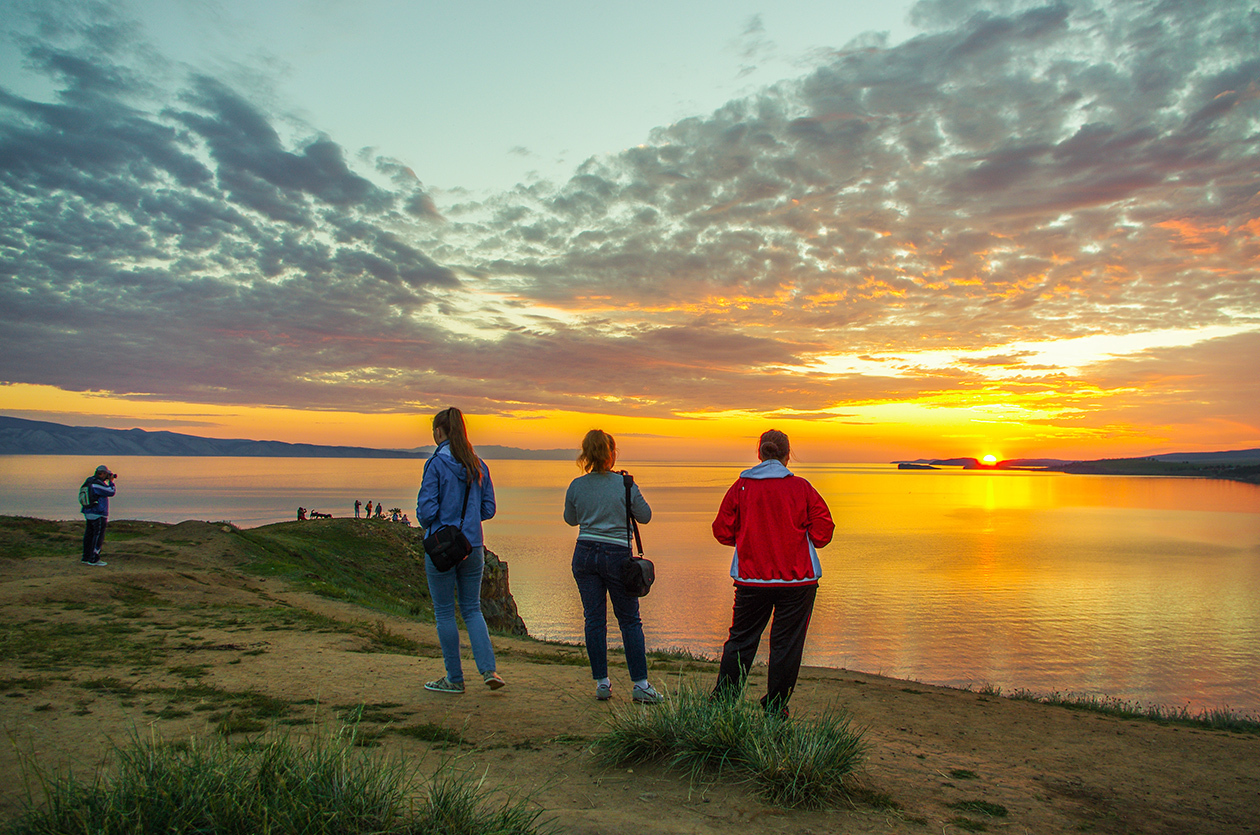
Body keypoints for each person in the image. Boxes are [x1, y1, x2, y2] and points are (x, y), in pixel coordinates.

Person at [711, 429, 834, 717]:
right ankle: (776, 707)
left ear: (760, 453)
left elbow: (721, 531)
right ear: (787, 455)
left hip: (752, 578)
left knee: (741, 640)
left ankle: (723, 702)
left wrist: (747, 540)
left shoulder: (741, 487)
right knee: (787, 645)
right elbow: (823, 531)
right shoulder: (802, 488)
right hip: (798, 579)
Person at [563, 429, 662, 704]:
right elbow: (646, 516)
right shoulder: (625, 485)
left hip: (584, 553)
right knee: (629, 620)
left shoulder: (576, 485)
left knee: (594, 620)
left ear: (586, 455)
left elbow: (570, 519)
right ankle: (640, 685)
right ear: (612, 453)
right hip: (617, 555)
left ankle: (602, 683)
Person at [416, 407, 505, 693]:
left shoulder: (436, 464)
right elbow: (488, 509)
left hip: (442, 547)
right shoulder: (478, 464)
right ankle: (489, 670)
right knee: (472, 610)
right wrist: (467, 521)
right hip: (473, 546)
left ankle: (454, 679)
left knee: (444, 612)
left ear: (440, 431)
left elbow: (426, 512)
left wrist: (443, 519)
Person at [80, 465, 117, 566]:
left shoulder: (89, 481)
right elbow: (111, 492)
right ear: (102, 473)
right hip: (98, 513)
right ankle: (94, 558)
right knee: (98, 536)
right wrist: (111, 482)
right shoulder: (97, 484)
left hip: (88, 512)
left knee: (89, 535)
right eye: (106, 474)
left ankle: (86, 557)